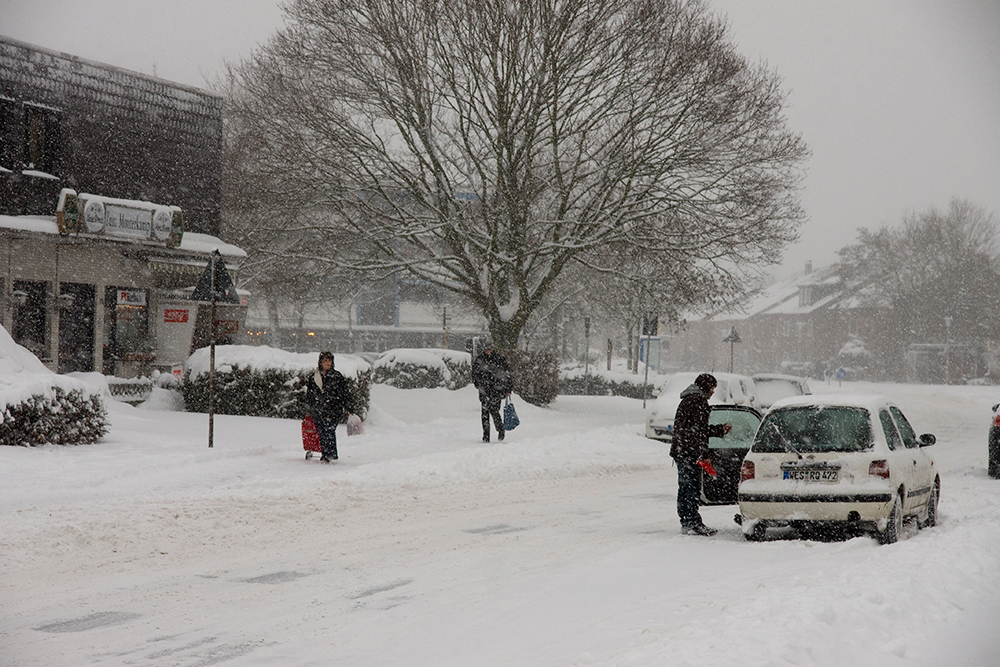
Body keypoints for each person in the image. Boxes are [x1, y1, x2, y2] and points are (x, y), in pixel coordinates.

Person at [671, 373, 731, 536]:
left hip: (681, 450)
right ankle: (692, 523)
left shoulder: (688, 399)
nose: (713, 392)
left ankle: (687, 521)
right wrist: (704, 454)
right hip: (690, 451)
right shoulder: (699, 401)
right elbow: (698, 433)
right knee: (692, 487)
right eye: (712, 388)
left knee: (685, 486)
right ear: (706, 387)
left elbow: (696, 429)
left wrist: (718, 430)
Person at [305, 351, 353, 463]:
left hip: (333, 410)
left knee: (329, 430)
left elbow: (344, 393)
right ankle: (326, 454)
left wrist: (349, 407)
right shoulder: (315, 377)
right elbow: (310, 394)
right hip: (319, 410)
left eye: (330, 360)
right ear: (320, 362)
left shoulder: (337, 376)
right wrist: (309, 409)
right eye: (325, 360)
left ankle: (331, 454)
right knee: (322, 432)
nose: (328, 363)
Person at [471, 339, 513, 442]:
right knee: (485, 412)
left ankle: (500, 429)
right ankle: (486, 435)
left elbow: (507, 375)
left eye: (490, 349)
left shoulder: (499, 359)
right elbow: (474, 373)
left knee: (494, 411)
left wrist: (508, 389)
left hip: (496, 390)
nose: (488, 351)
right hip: (484, 389)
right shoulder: (480, 359)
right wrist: (478, 384)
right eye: (486, 349)